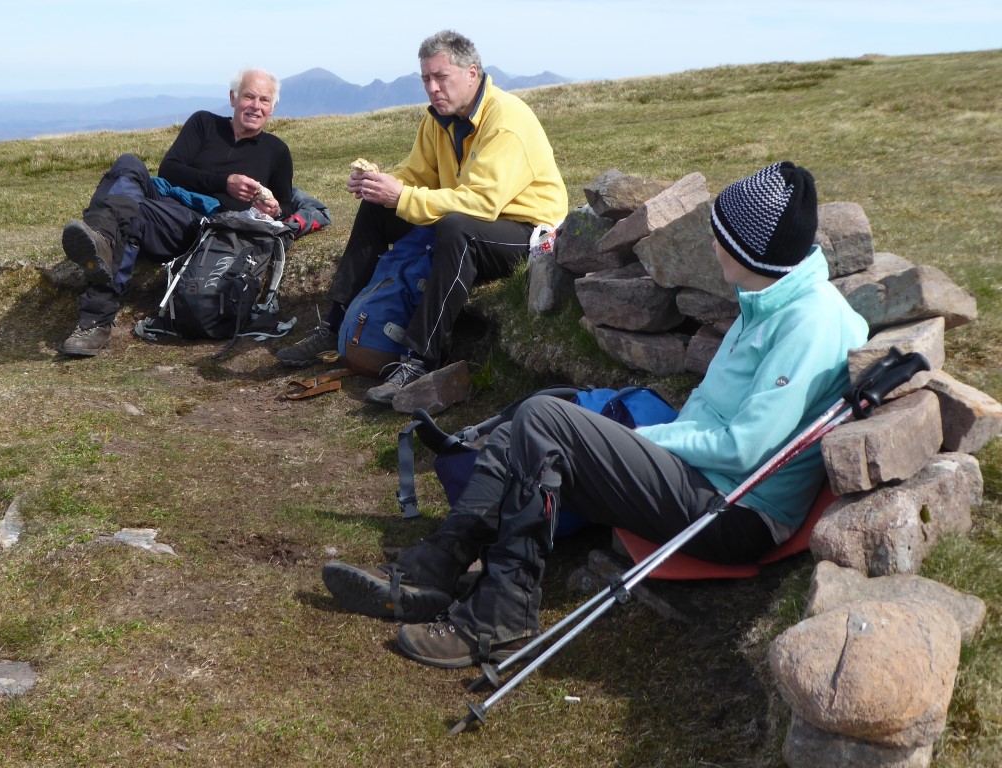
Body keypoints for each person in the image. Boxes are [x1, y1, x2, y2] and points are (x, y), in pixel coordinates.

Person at [320, 161, 870, 669]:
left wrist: (650, 439)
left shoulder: (811, 322)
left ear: (751, 252)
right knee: (532, 423)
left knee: (546, 420)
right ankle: (434, 569)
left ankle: (501, 615)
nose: (710, 242)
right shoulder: (769, 300)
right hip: (703, 481)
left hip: (734, 511)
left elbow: (748, 449)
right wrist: (651, 441)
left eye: (720, 235)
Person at [277, 29, 568, 406]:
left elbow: (481, 204)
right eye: (426, 79)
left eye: (440, 77)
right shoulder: (439, 120)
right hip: (469, 216)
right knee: (378, 207)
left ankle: (420, 358)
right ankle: (334, 323)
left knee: (457, 229)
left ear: (472, 73)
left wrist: (403, 195)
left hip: (526, 232)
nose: (432, 88)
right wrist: (383, 184)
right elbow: (416, 174)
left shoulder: (507, 121)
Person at [60, 68, 294, 357]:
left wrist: (272, 209)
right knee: (128, 163)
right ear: (233, 97)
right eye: (248, 96)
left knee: (133, 215)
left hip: (200, 224)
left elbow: (286, 206)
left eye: (264, 100)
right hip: (169, 196)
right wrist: (224, 182)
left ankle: (96, 319)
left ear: (272, 108)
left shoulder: (277, 151)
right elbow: (169, 169)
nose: (255, 106)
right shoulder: (203, 123)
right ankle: (103, 237)